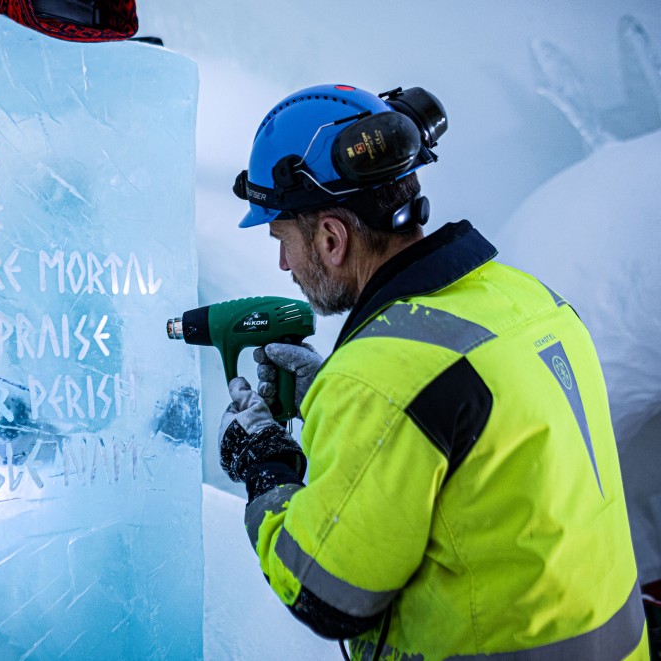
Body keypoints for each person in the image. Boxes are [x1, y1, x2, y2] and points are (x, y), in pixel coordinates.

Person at [218, 83, 650, 660]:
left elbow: (326, 593)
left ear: (329, 238)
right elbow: (475, 450)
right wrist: (340, 403)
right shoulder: (527, 300)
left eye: (282, 239)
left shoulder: (381, 378)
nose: (281, 263)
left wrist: (266, 465)